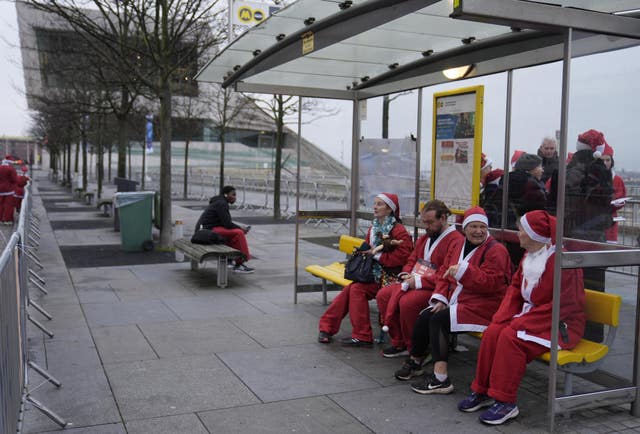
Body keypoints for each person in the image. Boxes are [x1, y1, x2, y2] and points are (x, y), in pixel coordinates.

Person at [458, 210, 585, 425]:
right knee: (493, 332)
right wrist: (504, 316)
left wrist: (519, 322)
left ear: (535, 235)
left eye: (521, 230)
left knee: (510, 338)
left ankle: (506, 402)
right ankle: (483, 390)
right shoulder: (531, 254)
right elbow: (516, 288)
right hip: (534, 316)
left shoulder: (562, 262)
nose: (517, 235)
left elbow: (565, 305)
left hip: (560, 325)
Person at [394, 206, 512, 392]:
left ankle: (441, 377)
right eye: (473, 226)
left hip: (484, 306)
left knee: (439, 320)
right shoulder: (459, 245)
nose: (478, 231)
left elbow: (492, 285)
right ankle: (416, 361)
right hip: (460, 300)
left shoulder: (496, 250)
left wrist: (465, 272)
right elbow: (443, 274)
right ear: (464, 228)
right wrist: (440, 298)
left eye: (482, 227)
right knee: (427, 315)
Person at [318, 193, 413, 347]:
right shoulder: (374, 228)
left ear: (390, 209)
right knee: (352, 289)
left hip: (391, 278)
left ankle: (359, 334)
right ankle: (327, 327)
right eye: (375, 203)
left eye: (380, 204)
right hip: (374, 275)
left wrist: (377, 256)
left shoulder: (399, 231)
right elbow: (370, 249)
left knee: (356, 289)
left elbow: (404, 257)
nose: (375, 207)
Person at [376, 200, 463, 358]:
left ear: (443, 218)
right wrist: (406, 274)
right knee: (383, 295)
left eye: (430, 222)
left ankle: (415, 348)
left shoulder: (456, 240)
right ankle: (399, 341)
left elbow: (447, 273)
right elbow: (412, 259)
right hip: (415, 281)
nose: (426, 226)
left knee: (408, 303)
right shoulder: (426, 238)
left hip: (437, 288)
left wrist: (416, 281)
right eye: (424, 222)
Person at [195, 185, 254, 273]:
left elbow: (225, 223)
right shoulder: (222, 203)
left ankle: (230, 259)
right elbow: (227, 224)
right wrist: (241, 228)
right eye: (233, 195)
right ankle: (240, 263)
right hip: (208, 231)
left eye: (235, 195)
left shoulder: (220, 201)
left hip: (206, 229)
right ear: (226, 195)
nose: (235, 197)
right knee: (239, 233)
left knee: (235, 234)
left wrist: (239, 228)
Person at [601, 143, 627, 243]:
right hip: (593, 220)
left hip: (610, 220)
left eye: (607, 160)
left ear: (612, 162)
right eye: (602, 160)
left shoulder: (617, 179)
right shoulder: (591, 178)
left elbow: (622, 198)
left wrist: (613, 202)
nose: (605, 163)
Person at [0, 156, 18, 225]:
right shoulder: (11, 169)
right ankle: (7, 219)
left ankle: (0, 219)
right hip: (9, 189)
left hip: (0, 189)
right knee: (8, 205)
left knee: (0, 204)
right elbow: (14, 180)